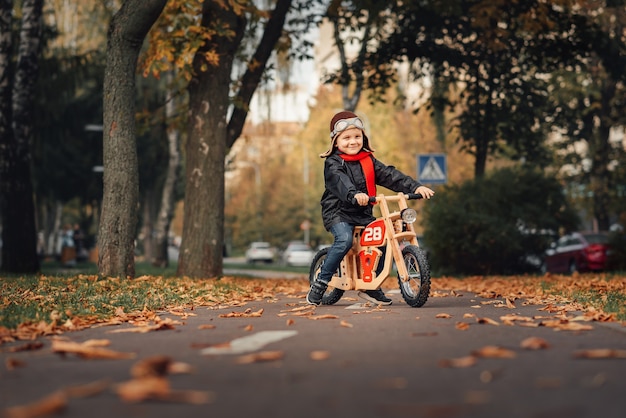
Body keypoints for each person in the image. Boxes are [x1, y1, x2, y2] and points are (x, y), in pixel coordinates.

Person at [306, 110, 435, 306]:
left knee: (382, 237)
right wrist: (354, 194)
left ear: (363, 138)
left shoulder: (368, 160)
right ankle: (320, 284)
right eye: (346, 138)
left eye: (357, 136)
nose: (353, 142)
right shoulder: (333, 163)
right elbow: (341, 182)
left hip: (362, 213)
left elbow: (391, 176)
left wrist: (416, 186)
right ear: (335, 142)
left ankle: (371, 287)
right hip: (338, 213)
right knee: (344, 240)